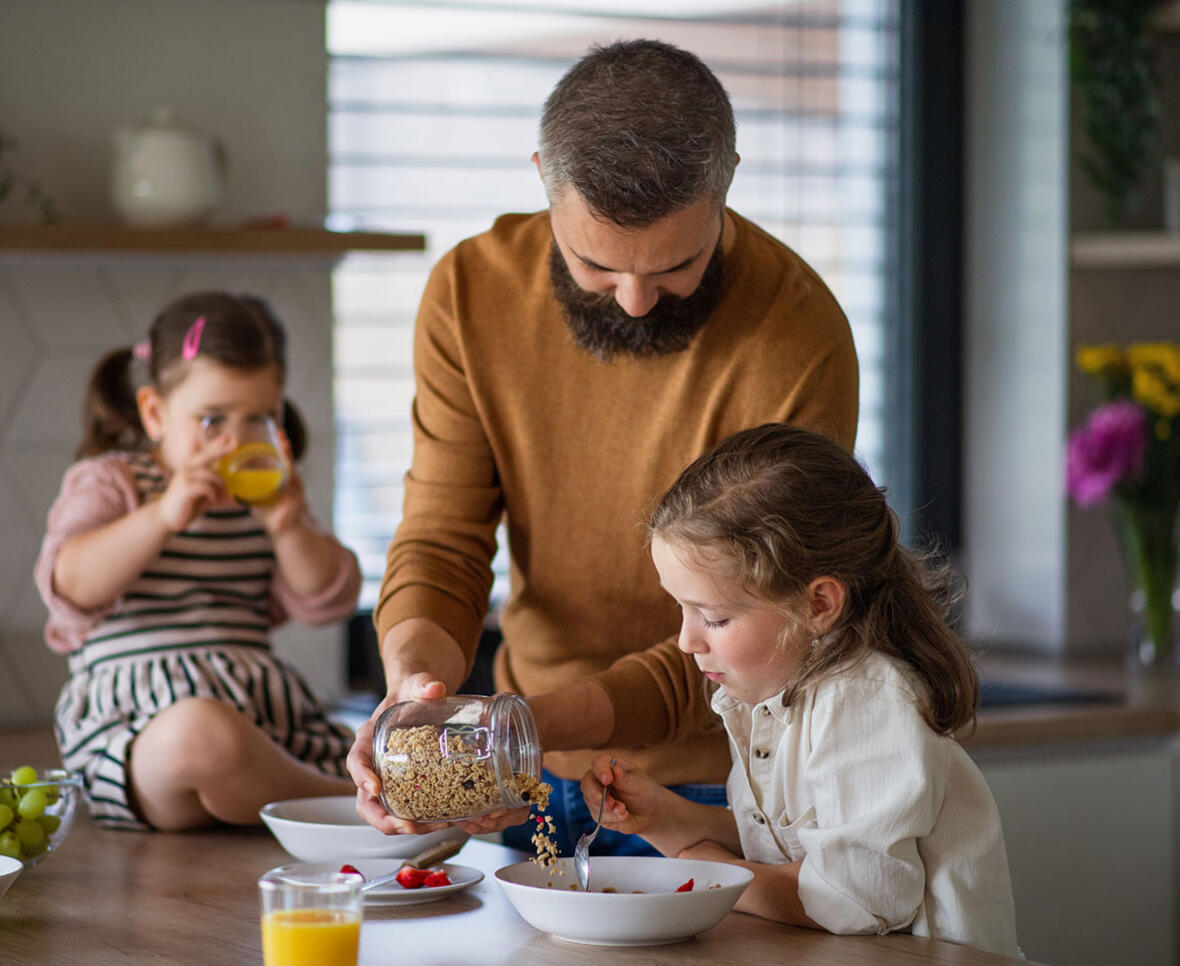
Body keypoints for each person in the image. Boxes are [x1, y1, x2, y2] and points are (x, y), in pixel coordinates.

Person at [348, 39, 859, 856]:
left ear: (726, 178)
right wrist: (414, 690)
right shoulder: (469, 294)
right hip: (529, 778)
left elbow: (761, 621)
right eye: (596, 263)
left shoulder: (800, 338)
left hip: (720, 783)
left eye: (675, 266)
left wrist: (522, 726)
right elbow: (443, 538)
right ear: (543, 176)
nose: (634, 299)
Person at [578, 423, 1020, 956]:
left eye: (713, 617)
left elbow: (856, 900)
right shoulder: (767, 699)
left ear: (817, 606)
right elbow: (788, 852)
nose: (685, 640)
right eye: (682, 607)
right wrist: (668, 820)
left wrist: (719, 875)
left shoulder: (865, 702)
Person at [35, 291, 362, 832]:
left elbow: (328, 598)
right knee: (200, 736)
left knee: (371, 738)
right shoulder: (116, 482)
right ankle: (345, 810)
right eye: (212, 420)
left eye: (258, 418)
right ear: (156, 412)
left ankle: (309, 800)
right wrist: (162, 516)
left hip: (258, 727)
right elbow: (71, 583)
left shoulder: (267, 499)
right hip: (144, 742)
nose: (235, 442)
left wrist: (287, 523)